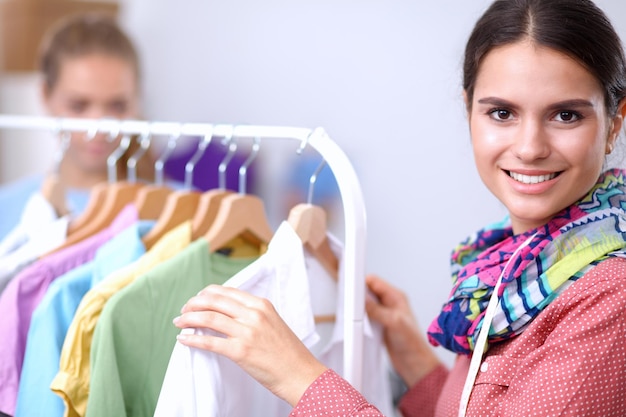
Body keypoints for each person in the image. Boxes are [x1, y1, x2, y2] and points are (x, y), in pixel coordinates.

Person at [171, 0, 626, 415]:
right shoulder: (511, 266)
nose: (529, 148)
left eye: (566, 115)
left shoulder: (611, 296)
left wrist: (300, 378)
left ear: (613, 124)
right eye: (502, 113)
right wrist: (416, 362)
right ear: (468, 110)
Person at [0, 13, 153, 241]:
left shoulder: (191, 209)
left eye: (117, 106)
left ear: (136, 99)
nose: (99, 127)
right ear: (45, 95)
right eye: (78, 105)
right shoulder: (6, 210)